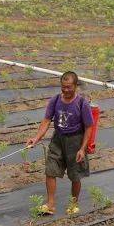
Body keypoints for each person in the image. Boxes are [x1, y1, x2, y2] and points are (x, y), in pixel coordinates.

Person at [26, 71, 94, 215]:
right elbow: (46, 121)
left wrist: (82, 148)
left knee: (75, 175)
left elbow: (89, 127)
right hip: (58, 139)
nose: (66, 90)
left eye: (69, 87)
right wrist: (36, 138)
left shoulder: (82, 103)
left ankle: (74, 204)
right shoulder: (55, 100)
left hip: (75, 141)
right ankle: (50, 204)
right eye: (63, 87)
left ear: (75, 86)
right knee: (50, 170)